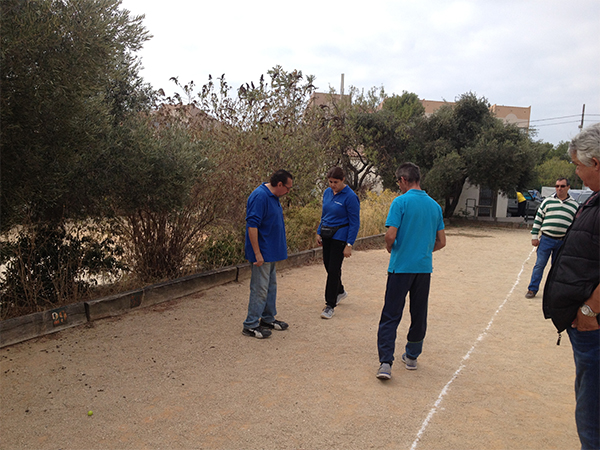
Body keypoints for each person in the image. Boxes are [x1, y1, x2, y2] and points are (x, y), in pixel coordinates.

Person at [543, 123, 599, 450]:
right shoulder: (594, 200)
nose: (576, 173)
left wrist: (590, 310)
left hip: (594, 328)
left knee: (593, 419)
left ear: (597, 162)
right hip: (586, 328)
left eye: (579, 165)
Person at [376, 163, 446, 380]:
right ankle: (412, 356)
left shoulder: (400, 202)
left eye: (398, 182)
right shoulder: (435, 206)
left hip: (400, 267)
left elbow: (390, 235)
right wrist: (424, 250)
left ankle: (386, 362)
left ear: (403, 180)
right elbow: (442, 241)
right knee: (418, 312)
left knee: (390, 314)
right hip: (423, 269)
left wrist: (391, 248)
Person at [242, 170, 294, 339]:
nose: (288, 192)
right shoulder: (260, 196)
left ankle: (267, 318)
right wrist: (257, 253)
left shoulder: (274, 197)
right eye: (287, 188)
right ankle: (250, 324)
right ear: (279, 185)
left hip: (271, 252)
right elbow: (252, 225)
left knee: (271, 287)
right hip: (262, 252)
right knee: (260, 288)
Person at [316, 167, 360, 319]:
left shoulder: (350, 197)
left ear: (343, 180)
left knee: (334, 269)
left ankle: (330, 304)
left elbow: (355, 222)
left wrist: (349, 244)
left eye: (335, 182)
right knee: (328, 266)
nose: (332, 185)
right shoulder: (327, 193)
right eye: (330, 182)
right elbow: (324, 214)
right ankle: (340, 291)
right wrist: (318, 231)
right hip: (327, 232)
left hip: (340, 235)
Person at [525, 177, 579, 298]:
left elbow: (575, 225)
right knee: (539, 265)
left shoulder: (574, 205)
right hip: (546, 239)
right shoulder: (547, 202)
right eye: (557, 186)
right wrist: (534, 236)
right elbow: (538, 218)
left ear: (568, 187)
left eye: (562, 186)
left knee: (558, 269)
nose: (559, 188)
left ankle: (553, 292)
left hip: (562, 241)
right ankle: (532, 289)